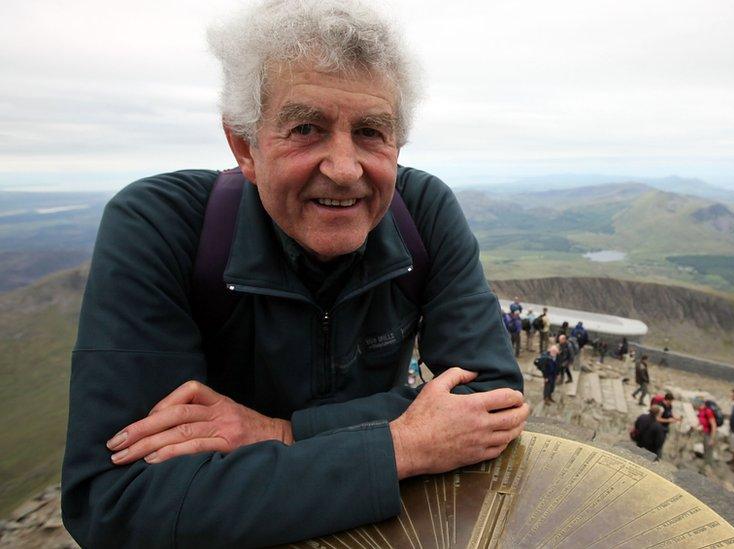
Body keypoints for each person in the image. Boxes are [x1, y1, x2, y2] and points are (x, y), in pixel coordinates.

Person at [60, 2, 528, 546]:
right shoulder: (162, 226)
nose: (345, 168)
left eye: (372, 132)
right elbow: (117, 502)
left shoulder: (422, 210)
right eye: (306, 128)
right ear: (245, 145)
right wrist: (403, 445)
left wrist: (280, 433)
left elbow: (490, 399)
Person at [657, 392, 682, 458]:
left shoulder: (670, 406)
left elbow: (670, 414)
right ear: (667, 400)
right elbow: (658, 419)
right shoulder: (661, 407)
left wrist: (677, 418)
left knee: (662, 442)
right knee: (658, 442)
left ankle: (658, 456)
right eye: (671, 401)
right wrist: (668, 420)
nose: (671, 402)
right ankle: (657, 456)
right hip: (659, 427)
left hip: (665, 427)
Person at [695, 397, 717, 473]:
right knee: (705, 451)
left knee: (708, 452)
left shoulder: (708, 411)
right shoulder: (701, 410)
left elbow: (713, 425)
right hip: (704, 433)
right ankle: (704, 468)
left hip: (709, 434)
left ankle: (707, 469)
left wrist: (712, 439)